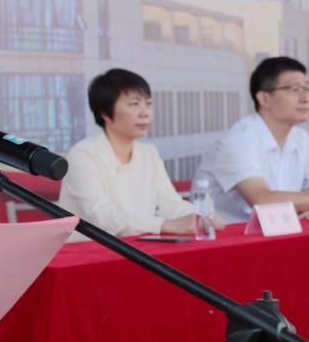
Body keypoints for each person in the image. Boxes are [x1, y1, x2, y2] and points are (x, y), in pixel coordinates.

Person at [58, 68, 220, 236]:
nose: (145, 113)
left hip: (138, 245)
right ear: (105, 112)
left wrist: (200, 217)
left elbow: (170, 204)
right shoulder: (82, 155)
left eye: (148, 103)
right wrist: (165, 225)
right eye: (134, 104)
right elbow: (102, 217)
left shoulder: (149, 153)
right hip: (89, 249)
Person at [195, 55, 309, 224]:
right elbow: (262, 201)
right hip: (227, 235)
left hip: (279, 230)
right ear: (264, 99)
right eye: (294, 89)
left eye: (307, 88)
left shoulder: (301, 138)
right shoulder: (239, 141)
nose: (305, 98)